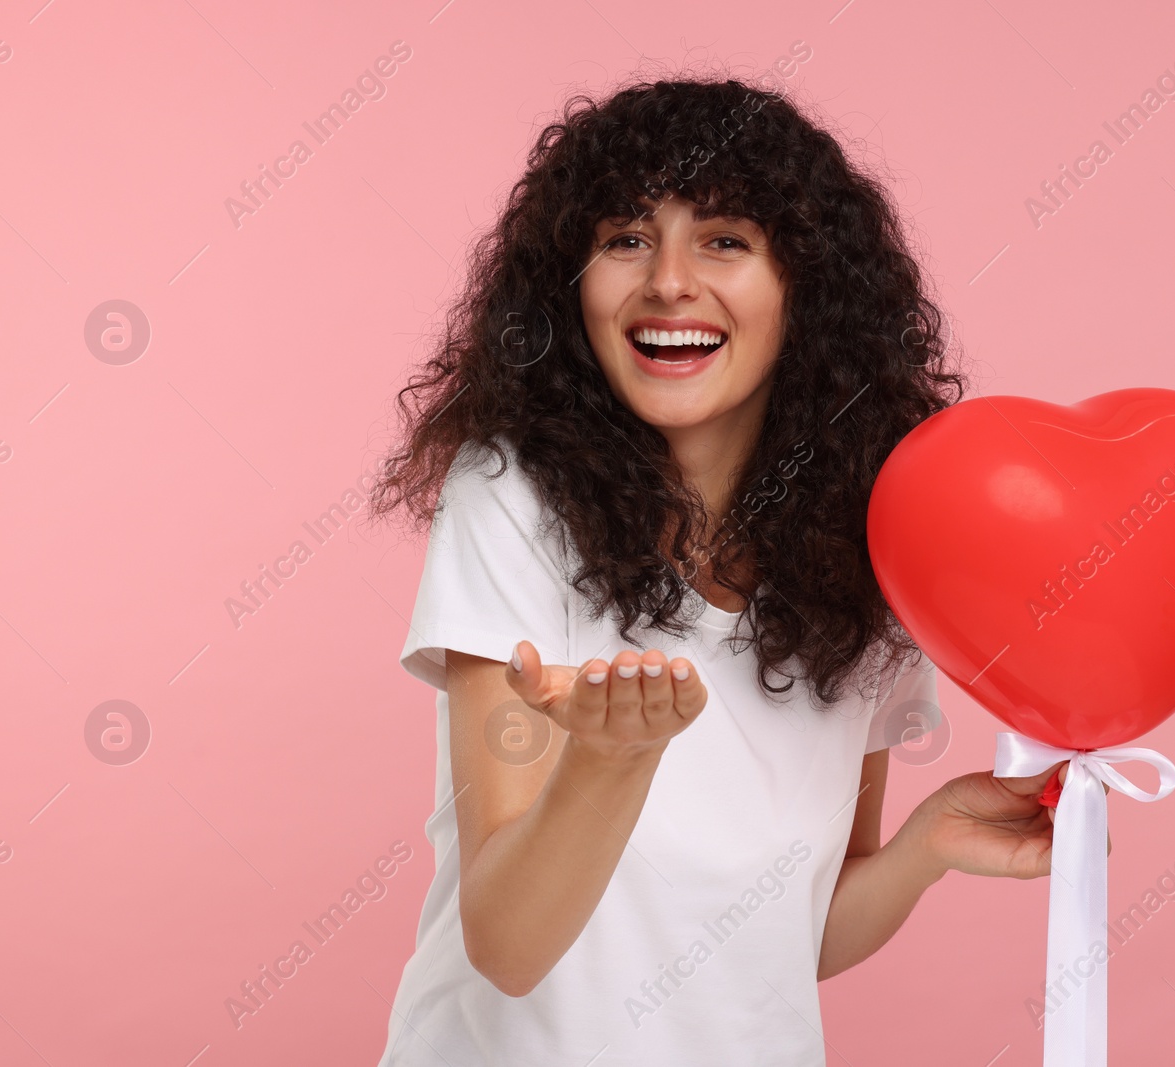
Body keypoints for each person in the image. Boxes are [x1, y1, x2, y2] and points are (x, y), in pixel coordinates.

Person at [366, 74, 1069, 1067]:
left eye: (725, 239)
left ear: (805, 286)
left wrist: (925, 849)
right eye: (625, 237)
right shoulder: (513, 494)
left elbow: (789, 936)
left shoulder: (873, 554)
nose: (667, 281)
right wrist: (605, 763)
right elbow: (508, 943)